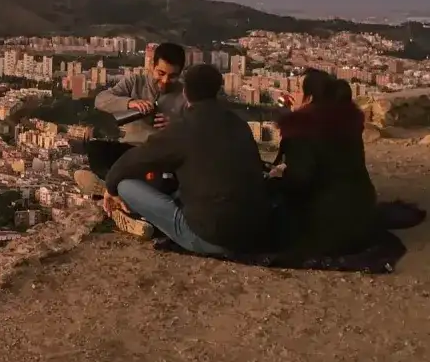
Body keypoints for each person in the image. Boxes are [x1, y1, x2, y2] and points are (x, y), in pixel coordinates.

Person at [102, 63, 273, 256]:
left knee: (125, 186)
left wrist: (110, 187)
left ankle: (128, 212)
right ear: (217, 90)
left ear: (185, 92)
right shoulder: (239, 124)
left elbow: (132, 161)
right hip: (255, 232)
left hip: (211, 238)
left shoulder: (183, 129)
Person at [269, 69, 379, 257]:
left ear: (309, 94)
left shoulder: (301, 125)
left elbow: (300, 180)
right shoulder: (349, 121)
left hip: (327, 224)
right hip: (363, 212)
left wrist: (277, 181)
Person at [75, 42, 187, 193]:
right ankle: (113, 186)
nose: (165, 80)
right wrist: (130, 103)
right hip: (129, 150)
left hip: (158, 155)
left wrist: (175, 126)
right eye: (161, 73)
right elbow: (101, 100)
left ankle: (113, 188)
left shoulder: (185, 95)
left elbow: (198, 129)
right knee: (97, 148)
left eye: (172, 76)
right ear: (152, 67)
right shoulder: (135, 82)